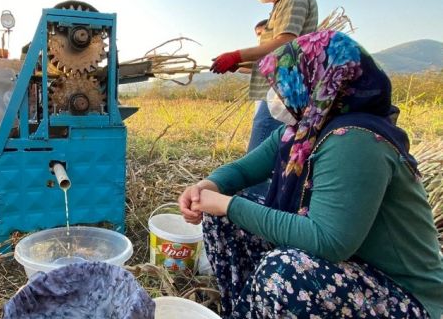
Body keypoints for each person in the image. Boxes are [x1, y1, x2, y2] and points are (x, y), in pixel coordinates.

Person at [181, 30, 443, 318]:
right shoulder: (301, 132)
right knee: (226, 217)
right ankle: (246, 310)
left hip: (402, 293)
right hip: (350, 268)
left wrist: (228, 204)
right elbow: (244, 169)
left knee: (284, 271)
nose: (277, 95)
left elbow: (328, 241)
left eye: (285, 83)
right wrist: (208, 185)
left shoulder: (355, 139)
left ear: (322, 82)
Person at [211, 0, 318, 153]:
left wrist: (237, 55)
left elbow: (285, 43)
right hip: (277, 89)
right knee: (275, 158)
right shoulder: (280, 5)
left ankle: (255, 186)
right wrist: (240, 65)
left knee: (257, 157)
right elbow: (275, 58)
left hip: (280, 91)